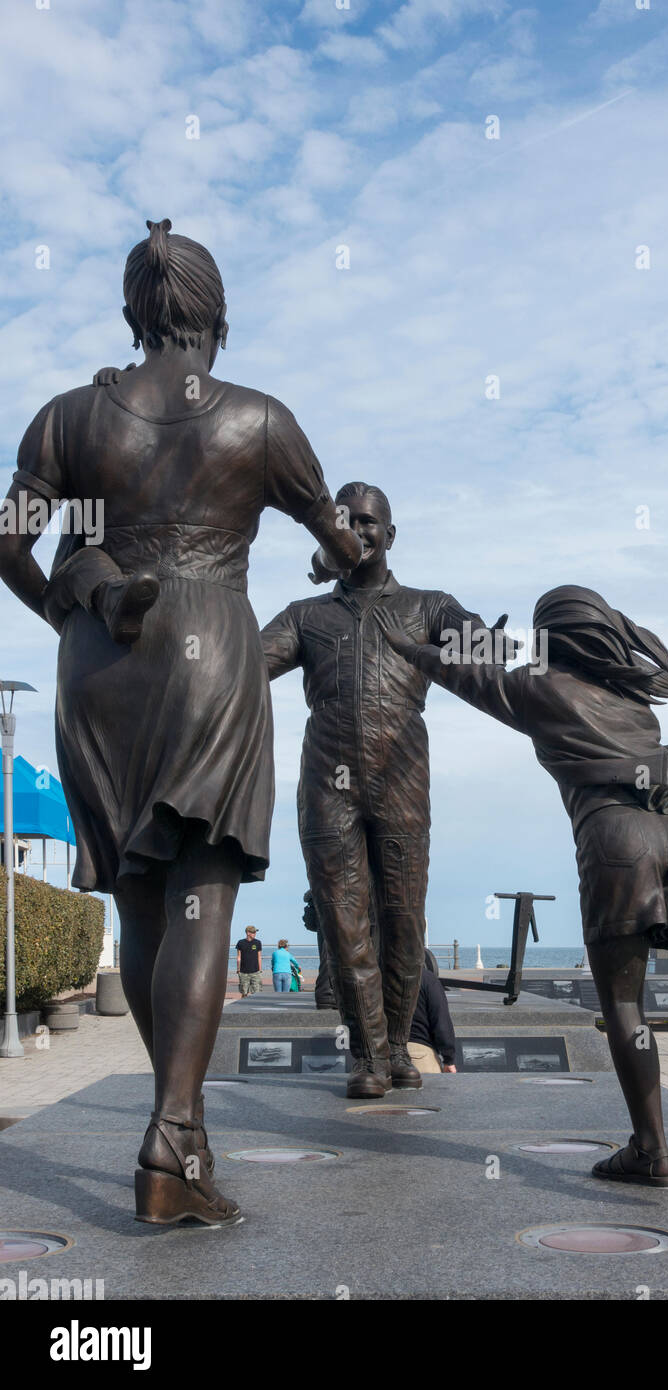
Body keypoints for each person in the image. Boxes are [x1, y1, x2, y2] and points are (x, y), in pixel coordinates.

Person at [0, 218, 362, 1227]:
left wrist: (67, 600)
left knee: (141, 899)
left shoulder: (69, 417)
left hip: (98, 663)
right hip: (210, 646)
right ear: (218, 319)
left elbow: (5, 543)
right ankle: (169, 1135)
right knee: (204, 885)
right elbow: (340, 542)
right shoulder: (260, 422)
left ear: (134, 314)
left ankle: (185, 1134)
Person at [378, 586, 668, 1187]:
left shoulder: (538, 688)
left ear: (550, 636)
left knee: (622, 1003)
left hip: (616, 838)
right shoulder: (634, 702)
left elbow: (462, 677)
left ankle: (652, 1149)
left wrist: (406, 643)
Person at [260, 483, 511, 1099]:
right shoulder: (306, 615)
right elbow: (244, 664)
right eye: (344, 521)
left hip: (402, 782)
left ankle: (398, 1046)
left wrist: (489, 644)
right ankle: (367, 1055)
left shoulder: (429, 606)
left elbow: (485, 649)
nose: (358, 531)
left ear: (390, 535)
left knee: (402, 923)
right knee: (345, 924)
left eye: (370, 522)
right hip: (327, 785)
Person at [408, 958, 457, 1074]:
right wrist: (449, 1059)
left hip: (382, 1054)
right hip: (419, 1053)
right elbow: (441, 1021)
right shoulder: (427, 979)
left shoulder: (376, 978)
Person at [236, 926, 264, 996]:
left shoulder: (258, 942)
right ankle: (243, 1006)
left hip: (255, 972)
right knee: (244, 993)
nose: (255, 934)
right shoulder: (240, 942)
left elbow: (259, 957)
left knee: (257, 993)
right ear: (248, 933)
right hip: (243, 972)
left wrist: (260, 970)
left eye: (255, 932)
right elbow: (239, 957)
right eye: (253, 932)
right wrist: (238, 970)